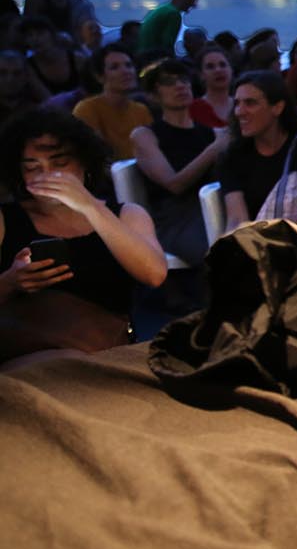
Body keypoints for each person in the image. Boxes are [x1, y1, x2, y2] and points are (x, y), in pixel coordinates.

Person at [0, 109, 168, 354]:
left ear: (85, 163)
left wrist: (89, 206)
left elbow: (154, 275)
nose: (47, 175)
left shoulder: (126, 215)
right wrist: (10, 281)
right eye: (33, 168)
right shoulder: (7, 219)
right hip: (30, 354)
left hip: (105, 350)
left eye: (60, 163)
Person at [131, 59, 229, 265]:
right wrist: (213, 150)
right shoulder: (146, 135)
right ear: (153, 95)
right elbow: (174, 184)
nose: (180, 86)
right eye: (169, 82)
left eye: (184, 80)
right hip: (176, 218)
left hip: (215, 207)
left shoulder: (212, 134)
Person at [218, 71, 297, 228]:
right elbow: (237, 219)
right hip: (260, 244)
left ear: (278, 107)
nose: (239, 111)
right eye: (237, 103)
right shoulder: (233, 158)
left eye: (250, 103)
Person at [73, 43, 152, 160]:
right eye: (114, 67)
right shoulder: (86, 109)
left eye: (129, 65)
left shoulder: (141, 110)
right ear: (99, 77)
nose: (125, 71)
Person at [20, 15, 84, 100]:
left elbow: (90, 89)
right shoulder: (28, 67)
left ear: (52, 35)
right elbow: (48, 100)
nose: (35, 39)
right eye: (30, 35)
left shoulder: (77, 59)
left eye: (40, 33)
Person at [138, 0, 202, 59]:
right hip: (150, 59)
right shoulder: (173, 14)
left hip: (142, 56)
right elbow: (167, 47)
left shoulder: (162, 9)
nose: (194, 3)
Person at [189, 45, 234, 128]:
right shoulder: (193, 109)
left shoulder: (241, 105)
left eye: (222, 65)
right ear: (201, 75)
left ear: (231, 70)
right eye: (210, 67)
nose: (218, 70)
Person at [0, 50, 42, 129]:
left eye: (17, 73)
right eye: (2, 73)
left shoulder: (36, 111)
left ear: (26, 77)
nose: (10, 80)